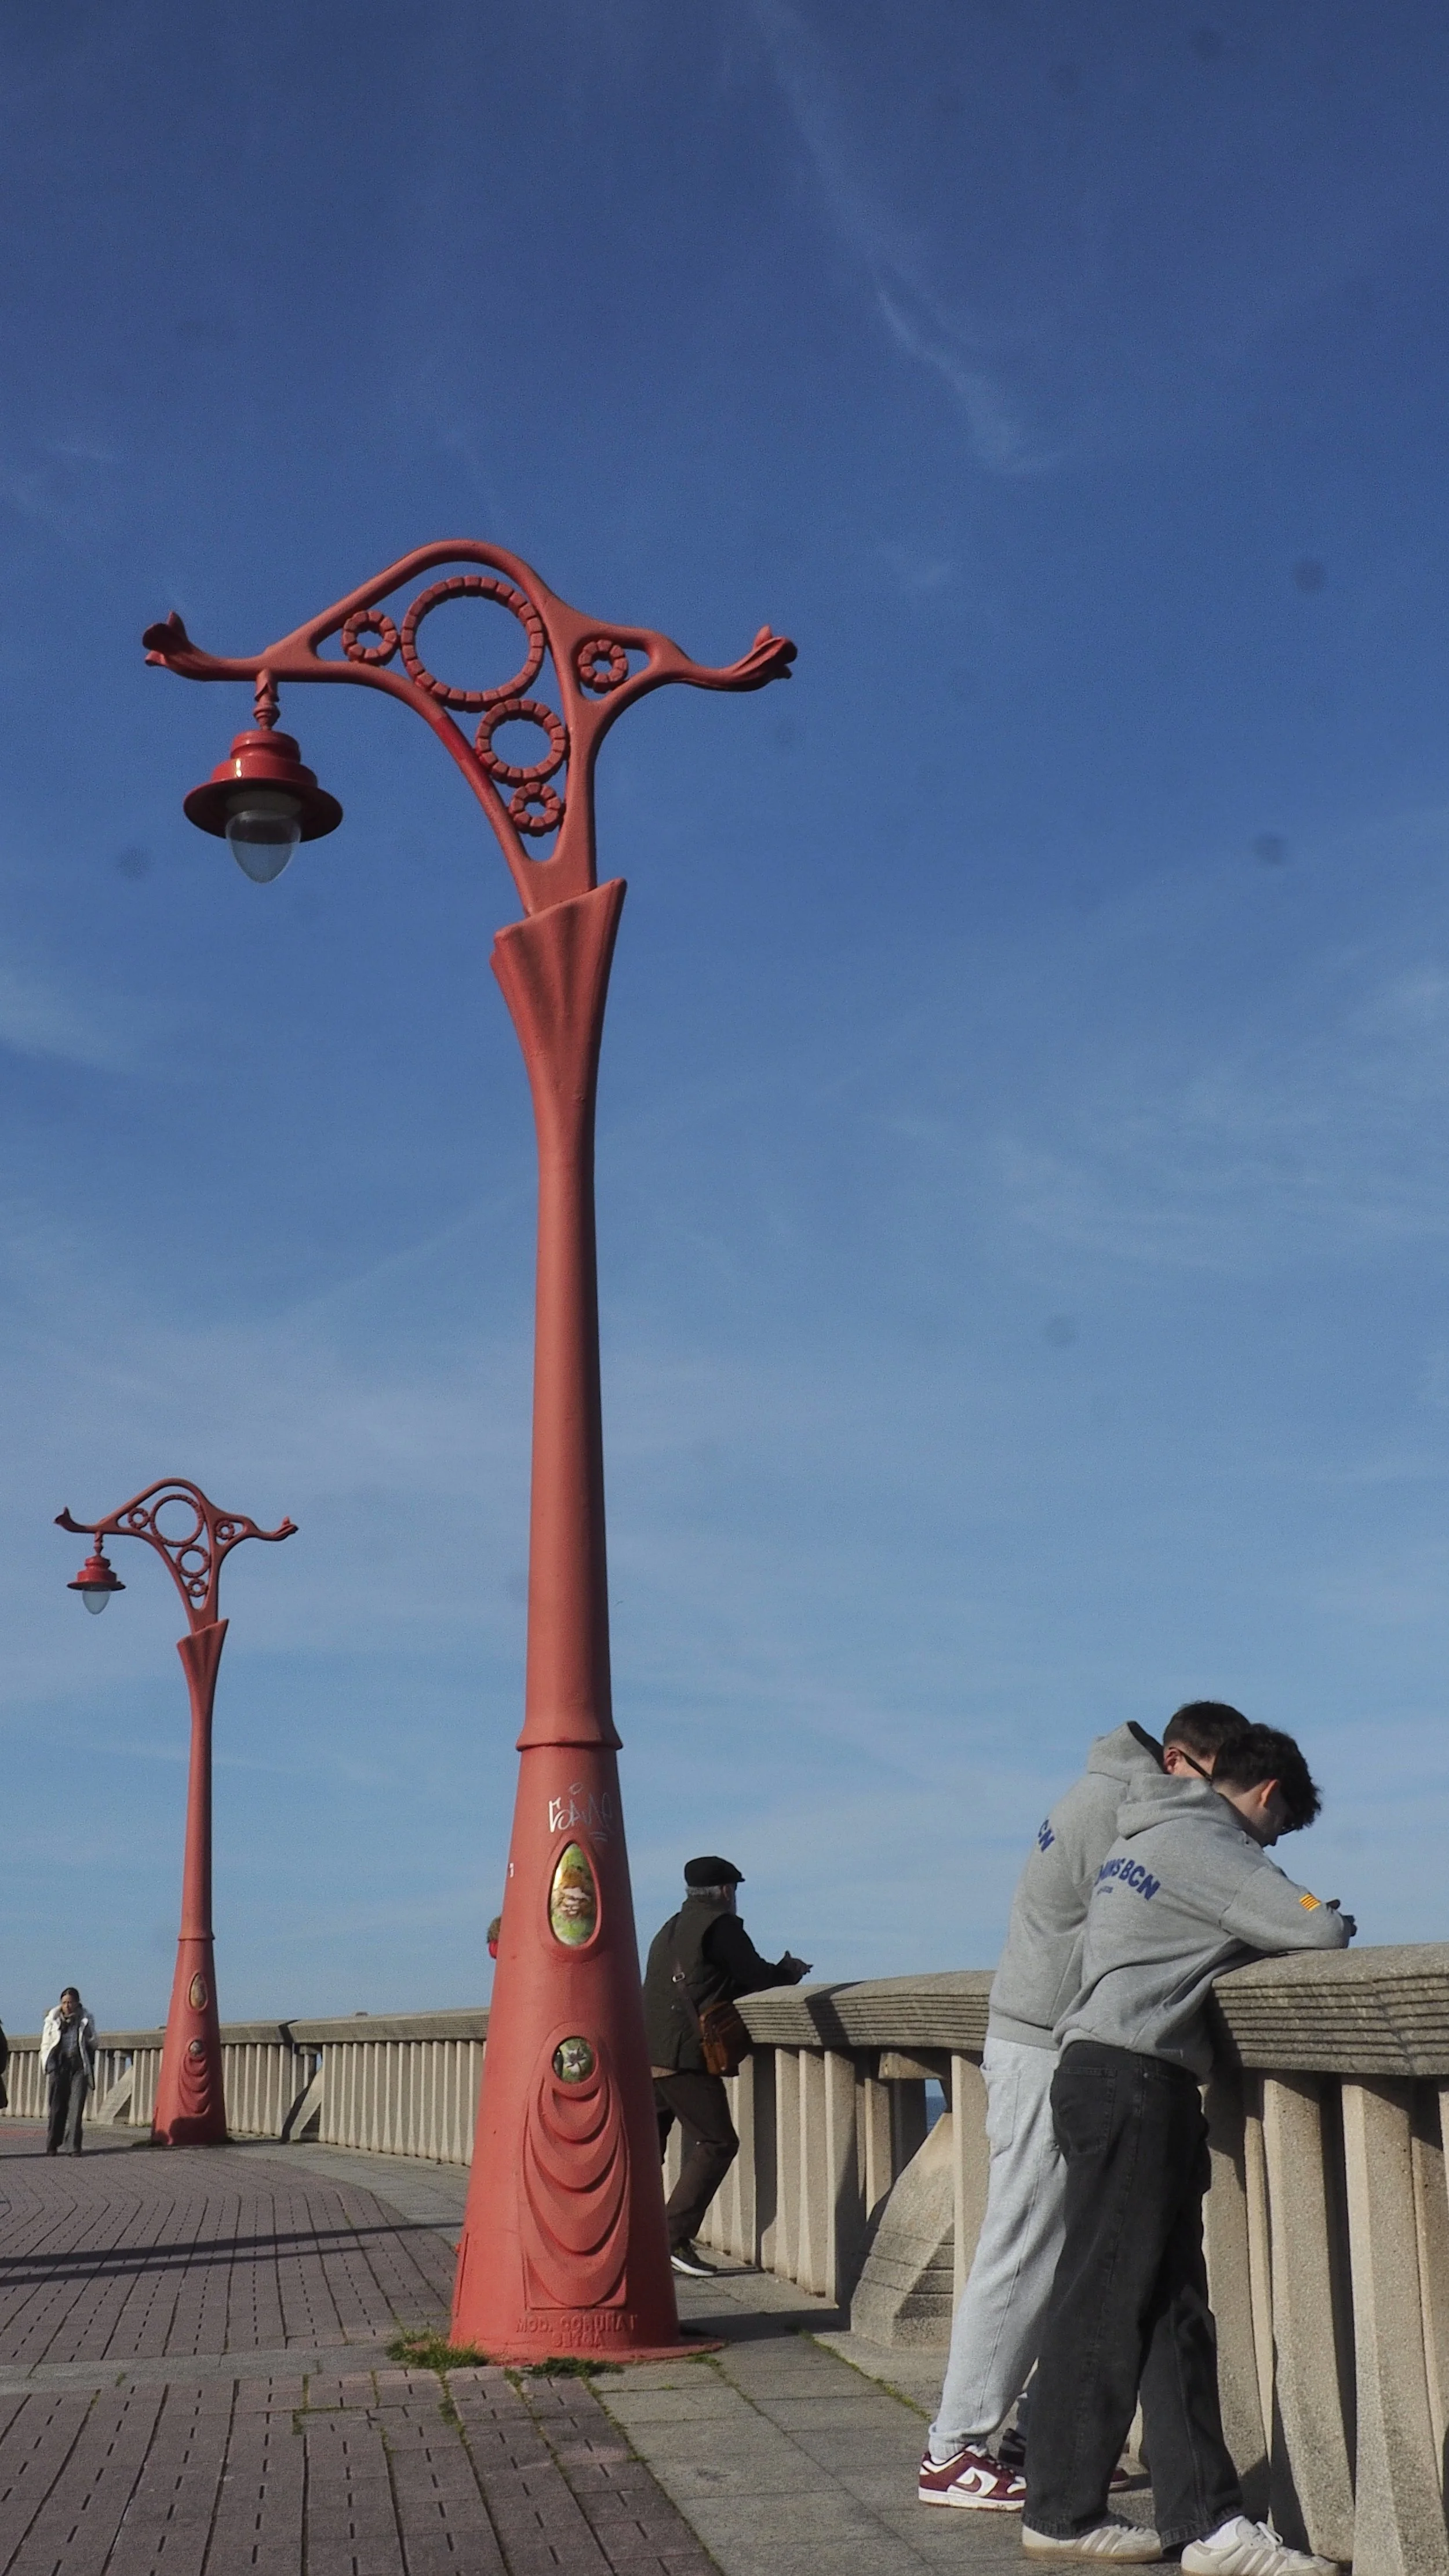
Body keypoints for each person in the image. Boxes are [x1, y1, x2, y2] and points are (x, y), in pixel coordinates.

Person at [1021, 1723, 1353, 2571]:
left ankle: (1206, 2525)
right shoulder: (1210, 1843)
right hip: (1136, 2082)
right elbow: (1315, 1930)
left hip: (1098, 2071)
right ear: (1267, 1795)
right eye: (1273, 1831)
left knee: (1168, 2309)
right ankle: (1063, 2511)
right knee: (1108, 2304)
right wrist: (1318, 1904)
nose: (1265, 1846)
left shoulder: (1146, 1835)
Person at [920, 1702, 1251, 2511]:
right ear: (1178, 1761)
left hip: (1040, 2040)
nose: (1218, 1811)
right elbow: (1165, 1918)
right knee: (1027, 2249)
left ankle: (1043, 2440)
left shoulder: (1099, 1793)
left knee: (1074, 2255)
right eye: (1218, 1787)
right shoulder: (1123, 1808)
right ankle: (953, 2449)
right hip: (1044, 2045)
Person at [643, 1855, 811, 2277]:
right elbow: (755, 1976)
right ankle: (671, 2237)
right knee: (718, 2142)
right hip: (684, 2055)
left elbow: (709, 1980)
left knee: (644, 2149)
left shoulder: (669, 1929)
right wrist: (789, 1972)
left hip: (648, 2053)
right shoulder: (721, 1926)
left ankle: (628, 2233)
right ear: (727, 1891)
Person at [41, 1987, 97, 2156]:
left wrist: (89, 2036)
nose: (67, 2006)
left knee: (76, 2108)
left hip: (78, 2066)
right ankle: (53, 2144)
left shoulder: (86, 2019)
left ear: (77, 2003)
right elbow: (45, 2044)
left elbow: (95, 2042)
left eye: (70, 2002)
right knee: (57, 2108)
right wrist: (48, 2064)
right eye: (64, 2003)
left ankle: (73, 2146)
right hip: (59, 2066)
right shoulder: (53, 2019)